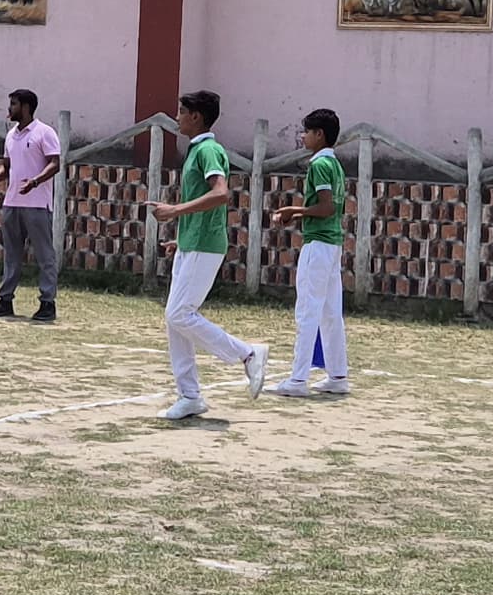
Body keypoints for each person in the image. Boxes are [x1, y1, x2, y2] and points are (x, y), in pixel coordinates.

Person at [143, 89, 267, 422]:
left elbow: (220, 193)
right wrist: (181, 238)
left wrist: (174, 211)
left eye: (181, 112)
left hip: (205, 244)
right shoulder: (198, 149)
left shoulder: (209, 150)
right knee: (175, 319)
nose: (177, 117)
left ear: (196, 116)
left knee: (179, 314)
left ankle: (247, 353)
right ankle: (190, 396)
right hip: (192, 243)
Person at [264, 108, 351, 397]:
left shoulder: (319, 165)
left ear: (319, 135)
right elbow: (331, 208)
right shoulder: (335, 165)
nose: (303, 137)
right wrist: (299, 213)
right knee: (330, 312)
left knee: (307, 311)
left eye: (307, 132)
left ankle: (298, 379)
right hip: (332, 243)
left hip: (318, 244)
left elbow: (325, 208)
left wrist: (294, 210)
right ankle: (337, 375)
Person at [0, 88, 61, 322]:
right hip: (12, 203)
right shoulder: (11, 135)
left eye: (13, 104)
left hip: (37, 205)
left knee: (44, 256)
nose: (9, 108)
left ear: (26, 107)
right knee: (11, 255)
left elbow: (55, 163)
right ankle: (5, 300)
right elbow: (7, 166)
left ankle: (47, 303)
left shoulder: (44, 132)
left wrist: (35, 182)